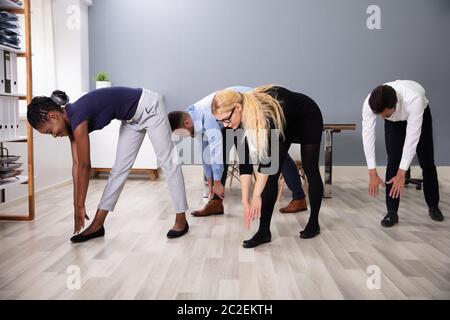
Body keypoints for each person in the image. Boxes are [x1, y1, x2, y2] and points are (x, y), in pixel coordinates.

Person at [27, 87, 189, 243]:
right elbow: (76, 165)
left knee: (168, 162)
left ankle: (181, 219)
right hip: (131, 119)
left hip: (149, 107)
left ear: (54, 116)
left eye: (49, 131)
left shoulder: (78, 117)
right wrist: (77, 206)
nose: (54, 135)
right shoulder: (71, 123)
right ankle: (97, 225)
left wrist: (80, 205)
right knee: (118, 171)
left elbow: (84, 165)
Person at [168, 87, 307, 218]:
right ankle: (216, 203)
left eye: (183, 135)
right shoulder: (195, 119)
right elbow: (205, 152)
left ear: (187, 123)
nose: (185, 138)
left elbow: (215, 150)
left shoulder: (208, 115)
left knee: (276, 152)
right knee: (221, 152)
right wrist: (210, 181)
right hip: (230, 117)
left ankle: (299, 198)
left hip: (246, 111)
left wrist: (216, 182)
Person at [211, 85, 324, 248]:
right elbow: (245, 162)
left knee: (310, 168)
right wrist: (245, 200)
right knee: (271, 177)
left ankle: (314, 223)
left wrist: (256, 195)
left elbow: (267, 162)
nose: (225, 125)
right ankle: (264, 232)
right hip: (284, 122)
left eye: (226, 119)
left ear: (237, 108)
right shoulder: (235, 123)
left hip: (306, 117)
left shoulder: (265, 116)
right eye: (220, 121)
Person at [362, 80, 444, 227]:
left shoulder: (414, 99)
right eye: (380, 115)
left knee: (427, 161)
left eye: (385, 114)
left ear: (395, 105)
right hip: (395, 122)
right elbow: (368, 134)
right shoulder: (371, 102)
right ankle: (391, 211)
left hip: (420, 115)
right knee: (393, 161)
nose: (382, 117)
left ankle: (433, 206)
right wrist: (372, 171)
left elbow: (412, 139)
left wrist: (402, 173)